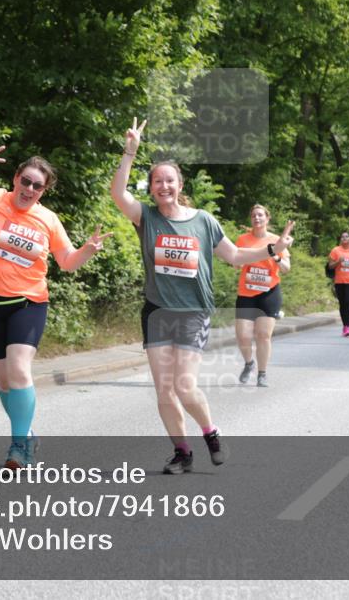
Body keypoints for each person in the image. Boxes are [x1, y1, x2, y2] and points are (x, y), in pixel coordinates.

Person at [111, 118, 293, 475]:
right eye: (157, 181)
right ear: (151, 187)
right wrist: (130, 151)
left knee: (184, 384)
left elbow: (235, 256)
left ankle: (211, 433)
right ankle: (183, 452)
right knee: (164, 390)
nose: (163, 186)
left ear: (180, 185)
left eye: (169, 180)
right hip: (157, 313)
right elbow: (118, 194)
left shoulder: (203, 220)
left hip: (193, 312)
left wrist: (273, 249)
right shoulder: (145, 217)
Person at [0, 145, 112, 470]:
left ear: (44, 191)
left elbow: (66, 262)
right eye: (26, 181)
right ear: (16, 178)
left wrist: (87, 250)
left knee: (20, 369)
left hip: (29, 303)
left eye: (38, 186)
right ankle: (28, 434)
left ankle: (19, 447)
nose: (30, 189)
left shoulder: (48, 219)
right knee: (5, 381)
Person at [234, 204, 291, 388]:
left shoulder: (277, 240)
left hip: (269, 292)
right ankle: (249, 363)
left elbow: (286, 268)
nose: (257, 218)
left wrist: (275, 256)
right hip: (246, 292)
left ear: (267, 219)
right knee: (243, 335)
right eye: (253, 216)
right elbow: (235, 262)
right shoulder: (243, 239)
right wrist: (240, 262)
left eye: (260, 215)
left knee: (263, 335)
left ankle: (262, 373)